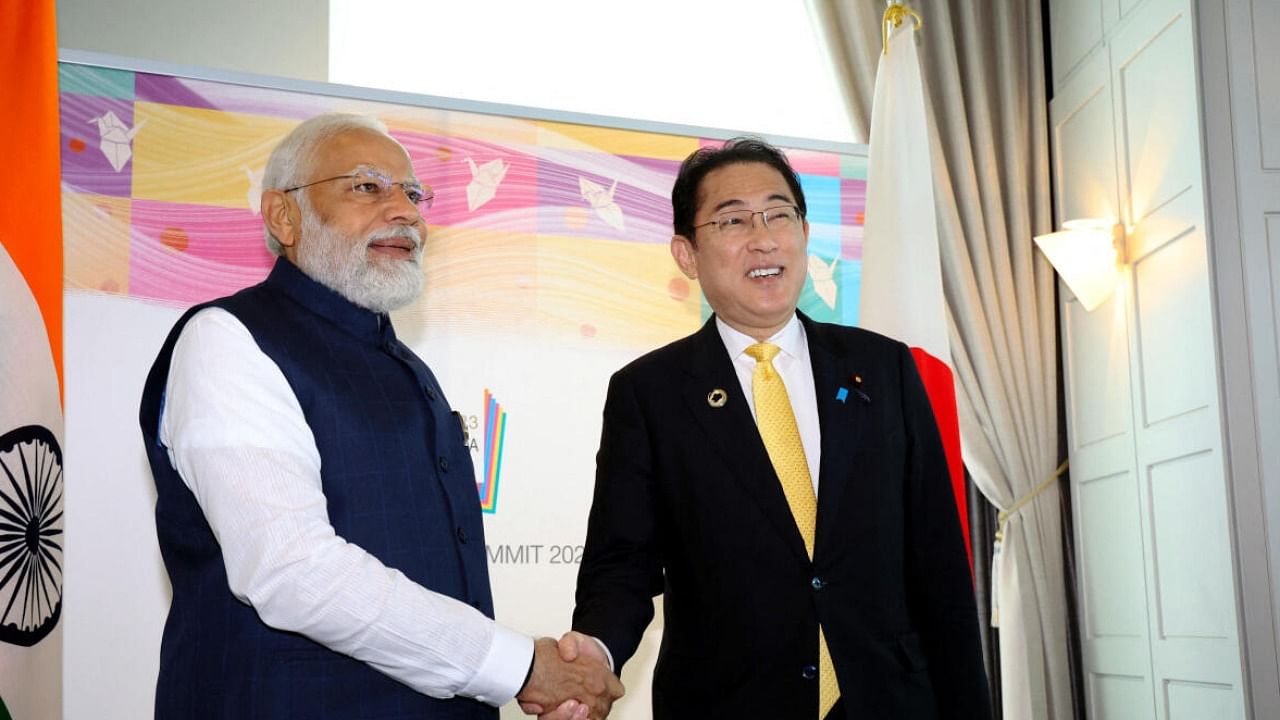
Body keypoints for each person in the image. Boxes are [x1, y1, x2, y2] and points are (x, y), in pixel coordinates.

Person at [139, 113, 622, 719]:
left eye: (413, 193)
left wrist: (527, 672)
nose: (406, 212)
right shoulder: (229, 340)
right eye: (367, 187)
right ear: (284, 216)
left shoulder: (406, 365)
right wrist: (520, 667)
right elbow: (293, 571)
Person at [558, 138, 991, 718]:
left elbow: (938, 565)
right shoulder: (650, 393)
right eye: (732, 219)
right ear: (686, 254)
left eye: (779, 214)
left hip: (888, 700)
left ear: (804, 233)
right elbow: (622, 564)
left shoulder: (886, 369)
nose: (763, 238)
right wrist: (597, 650)